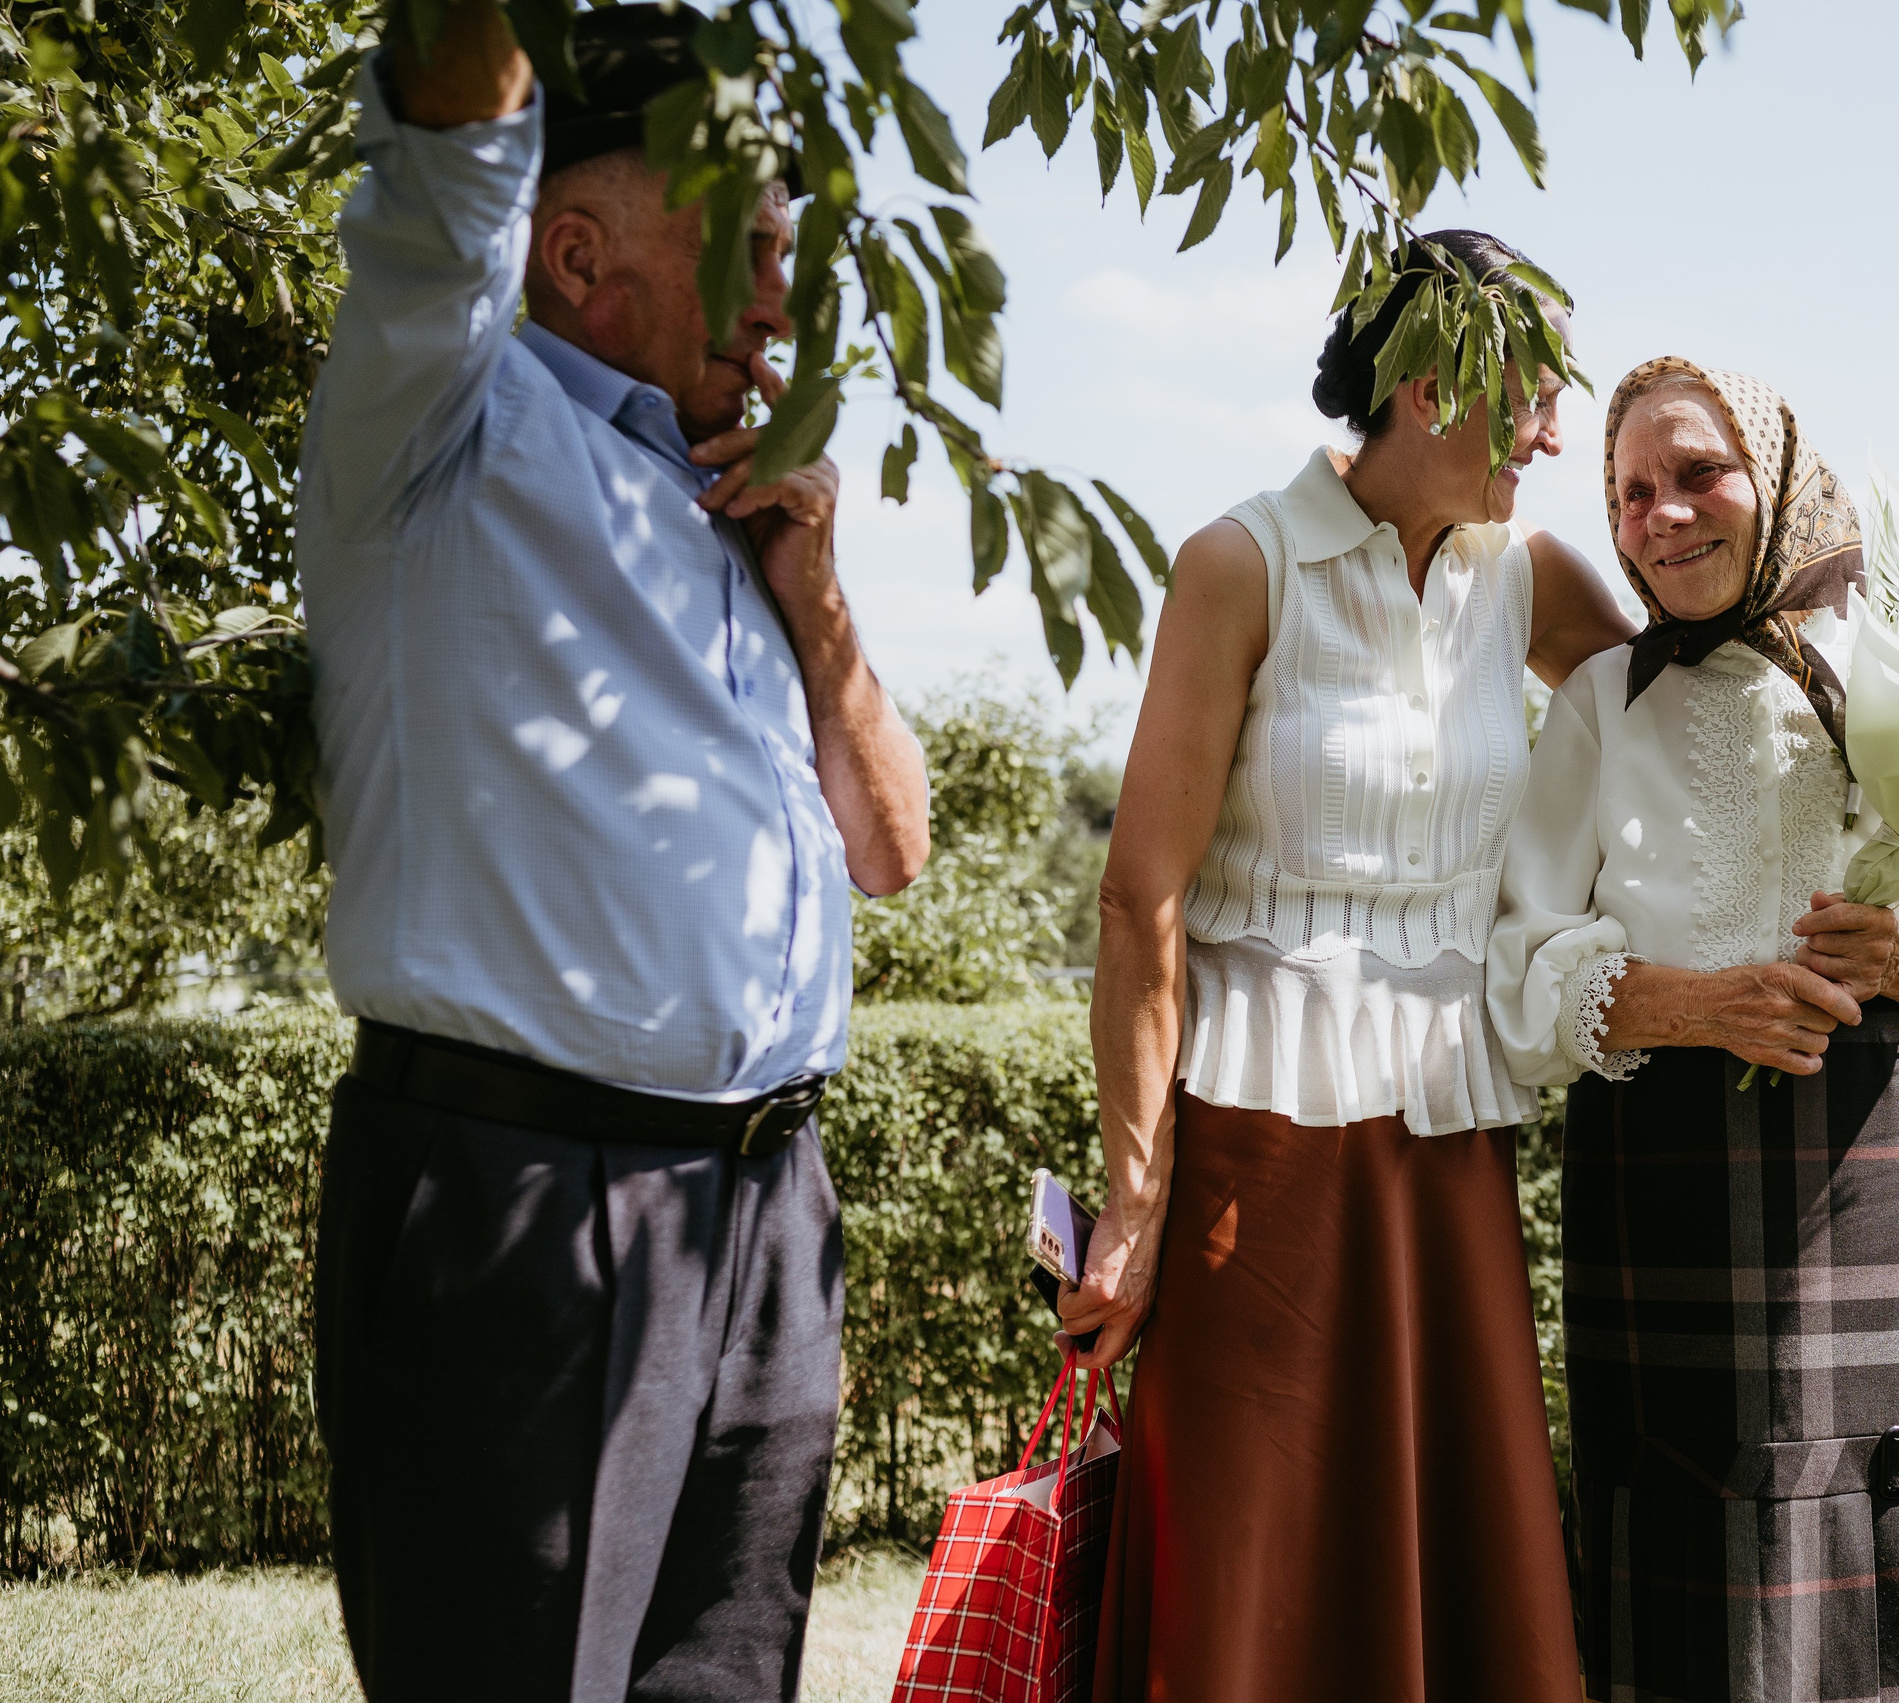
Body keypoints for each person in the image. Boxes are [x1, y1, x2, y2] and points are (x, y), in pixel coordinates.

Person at [299, 5, 930, 1698]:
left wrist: (822, 611)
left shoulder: (758, 518)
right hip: (529, 1210)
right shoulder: (440, 423)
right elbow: (445, 152)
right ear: (573, 254)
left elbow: (892, 851)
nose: (786, 304)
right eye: (745, 246)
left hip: (768, 1212)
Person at [1060, 232, 1639, 1701]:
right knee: (1249, 1568)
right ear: (1431, 376)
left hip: (1450, 1139)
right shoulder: (1239, 561)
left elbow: (1679, 723)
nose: (1556, 437)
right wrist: (1134, 1196)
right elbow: (1143, 899)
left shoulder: (1531, 578)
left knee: (1458, 1559)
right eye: (1534, 395)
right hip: (1259, 1144)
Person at [1486, 359, 1899, 1703]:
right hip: (1660, 1168)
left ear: (1782, 473)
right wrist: (1693, 1003)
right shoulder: (1599, 700)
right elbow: (1513, 973)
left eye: (1697, 474)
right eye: (1628, 492)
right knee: (1687, 1521)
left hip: (1883, 1161)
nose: (1661, 516)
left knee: (1884, 1508)